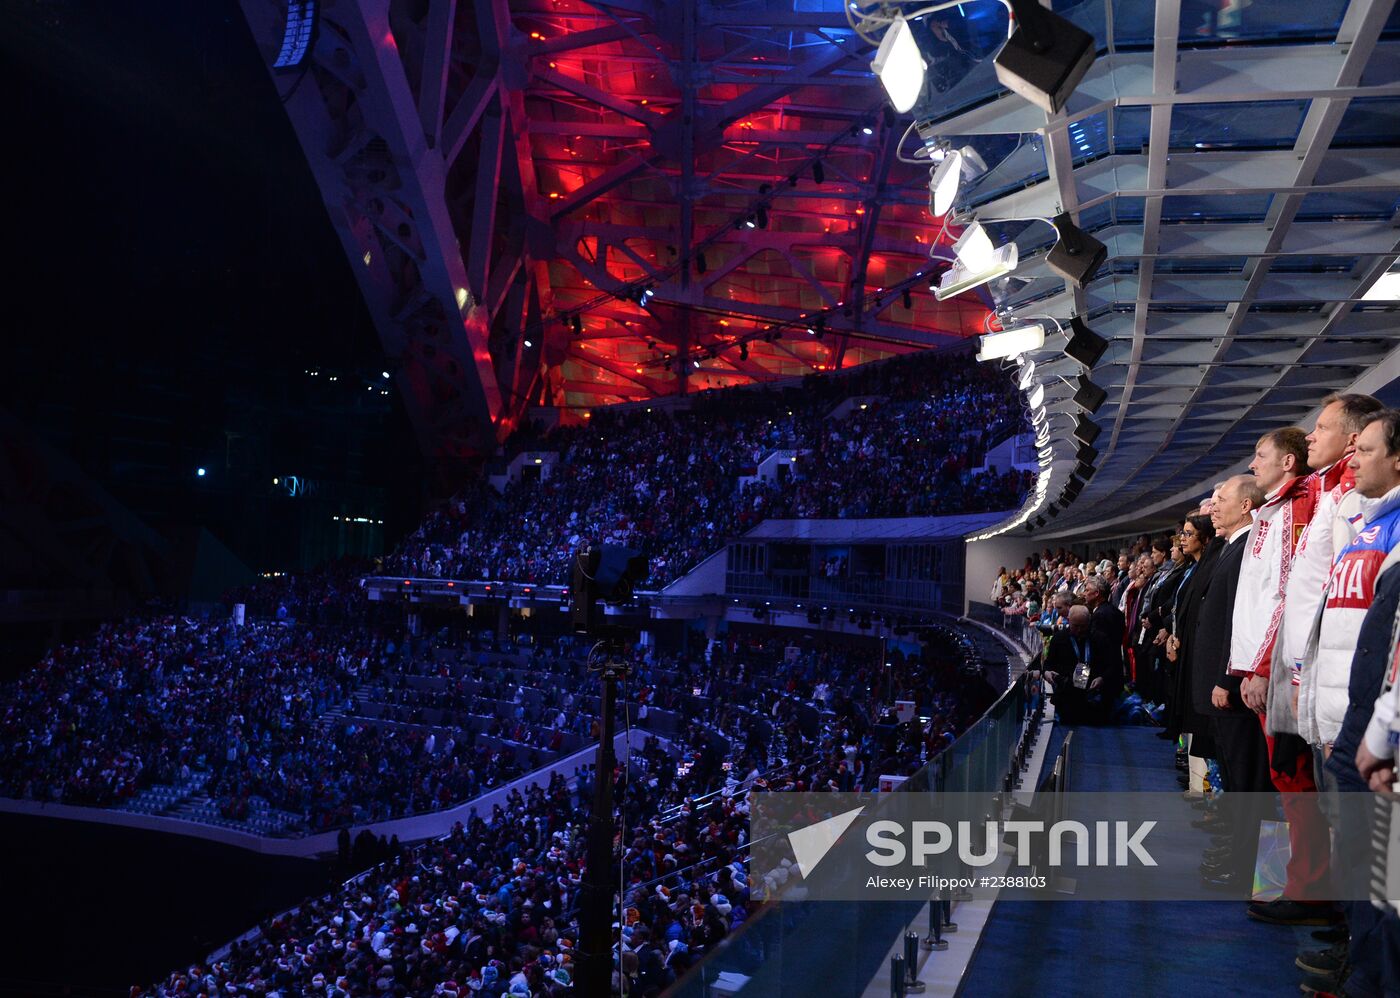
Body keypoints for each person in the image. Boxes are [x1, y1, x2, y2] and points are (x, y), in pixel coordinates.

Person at [1226, 426, 1332, 920]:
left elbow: (1286, 596)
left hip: (1279, 669)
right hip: (1259, 667)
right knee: (1280, 779)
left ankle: (1307, 888)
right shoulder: (1274, 508)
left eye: (1260, 455)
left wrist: (1261, 666)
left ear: (1288, 463)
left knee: (1291, 778)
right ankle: (1279, 881)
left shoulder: (1297, 507)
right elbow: (1256, 601)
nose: (1252, 464)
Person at [1191, 475, 1269, 891]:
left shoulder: (1245, 550)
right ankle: (1240, 856)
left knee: (1250, 783)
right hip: (1225, 687)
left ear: (1245, 507)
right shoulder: (1230, 548)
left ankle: (1249, 869)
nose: (1212, 506)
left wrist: (1225, 677)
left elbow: (1239, 623)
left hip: (1235, 688)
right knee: (1237, 781)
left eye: (1221, 499)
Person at [1041, 604, 1118, 724]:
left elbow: (1112, 665)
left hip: (1093, 697)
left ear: (1089, 622)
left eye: (1083, 626)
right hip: (1067, 697)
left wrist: (1102, 678)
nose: (1079, 630)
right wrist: (1046, 672)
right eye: (1075, 626)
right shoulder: (1059, 638)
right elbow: (1049, 663)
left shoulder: (1100, 639)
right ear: (1069, 621)